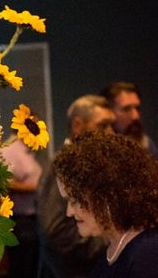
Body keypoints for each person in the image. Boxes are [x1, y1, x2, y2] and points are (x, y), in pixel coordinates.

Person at [53, 132, 158, 277]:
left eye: (75, 200)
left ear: (107, 195)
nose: (69, 212)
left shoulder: (156, 250)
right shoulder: (116, 249)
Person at [36, 95, 115, 278]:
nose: (111, 133)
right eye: (103, 125)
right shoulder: (60, 165)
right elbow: (56, 231)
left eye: (112, 125)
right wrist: (112, 239)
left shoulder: (88, 164)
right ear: (78, 126)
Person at [0, 131, 43, 278]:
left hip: (32, 218)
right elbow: (5, 181)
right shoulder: (11, 150)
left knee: (31, 267)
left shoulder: (26, 151)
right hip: (20, 220)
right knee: (22, 267)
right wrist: (36, 187)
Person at [100, 81, 158, 159]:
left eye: (137, 108)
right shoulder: (98, 151)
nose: (135, 117)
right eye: (126, 109)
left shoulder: (148, 146)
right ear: (108, 112)